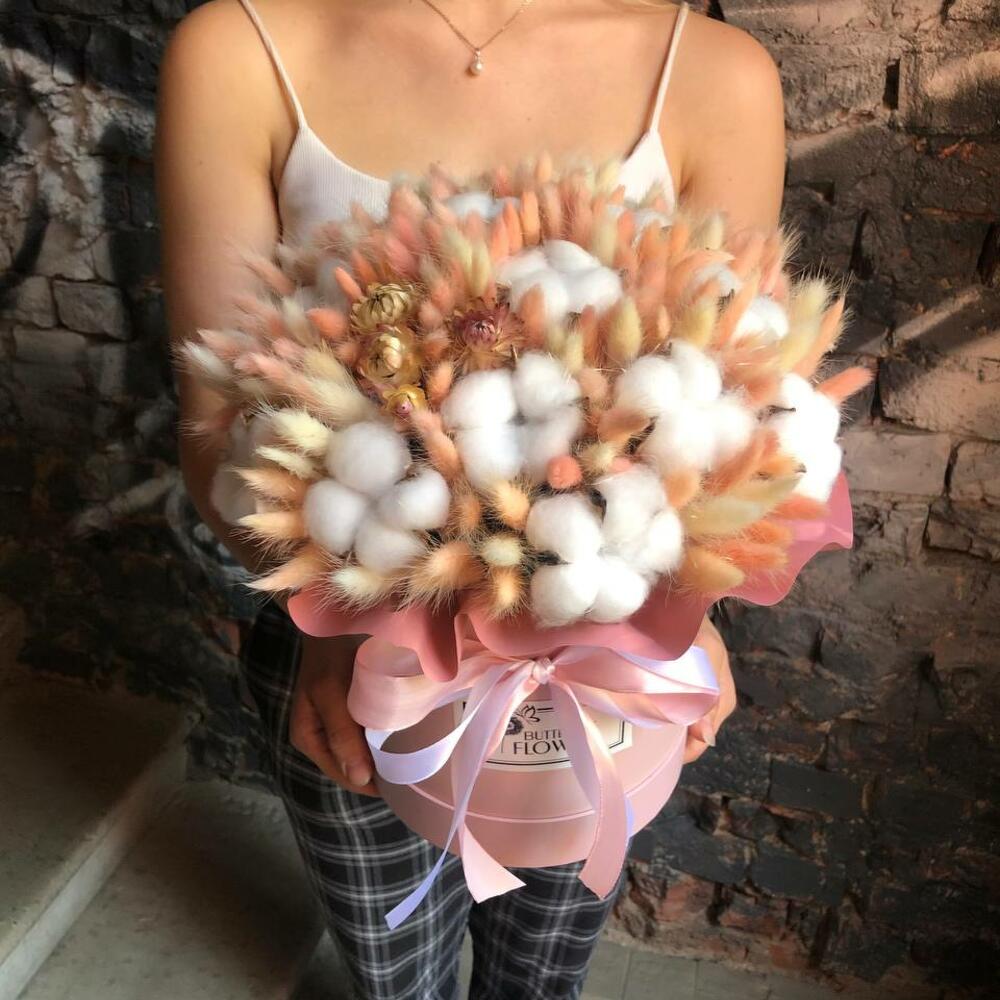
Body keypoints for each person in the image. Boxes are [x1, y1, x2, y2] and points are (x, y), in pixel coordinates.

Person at [155, 1, 782, 996]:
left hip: (604, 674)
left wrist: (687, 611)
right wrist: (336, 625)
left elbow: (736, 399)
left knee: (542, 978)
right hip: (349, 666)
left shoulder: (715, 75)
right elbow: (216, 421)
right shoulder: (240, 50)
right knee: (394, 976)